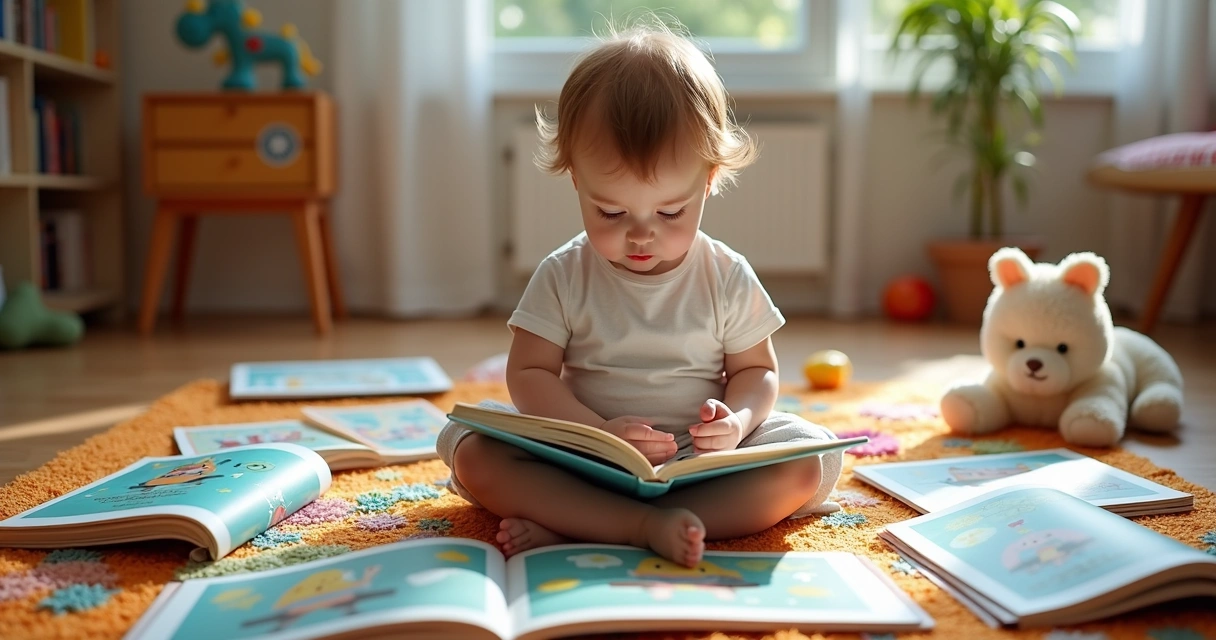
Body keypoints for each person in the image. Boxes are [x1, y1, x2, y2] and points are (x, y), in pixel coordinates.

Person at [438, 18, 841, 568]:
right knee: (472, 448)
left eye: (670, 212)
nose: (641, 235)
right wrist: (597, 431)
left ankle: (584, 523)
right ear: (576, 179)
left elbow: (757, 371)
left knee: (803, 460)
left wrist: (737, 423)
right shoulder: (563, 273)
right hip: (584, 455)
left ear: (709, 180)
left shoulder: (726, 274)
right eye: (611, 211)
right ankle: (642, 525)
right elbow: (529, 373)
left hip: (703, 464)